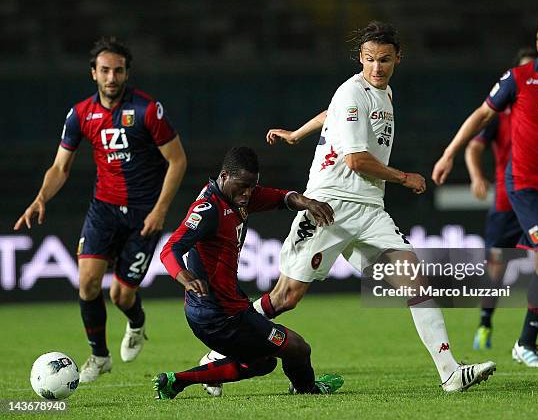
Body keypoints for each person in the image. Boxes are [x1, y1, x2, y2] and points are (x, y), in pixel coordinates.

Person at [207, 21, 495, 394]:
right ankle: (215, 358)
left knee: (416, 279)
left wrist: (297, 134)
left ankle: (450, 372)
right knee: (286, 298)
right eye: (370, 59)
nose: (377, 67)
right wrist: (404, 177)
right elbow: (357, 159)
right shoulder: (352, 92)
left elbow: (330, 115)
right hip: (329, 204)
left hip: (370, 209)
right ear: (360, 58)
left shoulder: (384, 94)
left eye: (385, 60)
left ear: (397, 59)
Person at [13, 37, 187, 382]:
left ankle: (136, 323)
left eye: (118, 70)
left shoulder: (147, 110)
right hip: (103, 210)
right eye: (105, 70)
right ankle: (99, 355)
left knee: (121, 295)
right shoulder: (80, 114)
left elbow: (177, 160)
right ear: (93, 73)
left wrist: (160, 211)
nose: (111, 77)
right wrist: (41, 198)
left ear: (126, 73)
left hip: (143, 215)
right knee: (87, 283)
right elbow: (60, 167)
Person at [432, 14, 538, 367]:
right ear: (537, 46)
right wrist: (449, 154)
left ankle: (525, 342)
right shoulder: (518, 78)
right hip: (524, 185)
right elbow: (481, 115)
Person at [155, 147, 343, 399]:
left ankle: (175, 382)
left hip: (225, 309)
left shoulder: (238, 196)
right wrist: (185, 277)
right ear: (224, 176)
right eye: (243, 186)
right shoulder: (208, 208)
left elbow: (282, 197)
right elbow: (170, 249)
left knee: (262, 363)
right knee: (298, 348)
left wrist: (308, 202)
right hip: (218, 316)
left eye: (252, 187)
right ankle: (308, 389)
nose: (247, 193)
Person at [465, 48, 537, 350]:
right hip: (507, 202)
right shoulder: (500, 115)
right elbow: (473, 147)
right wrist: (477, 177)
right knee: (496, 265)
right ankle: (485, 322)